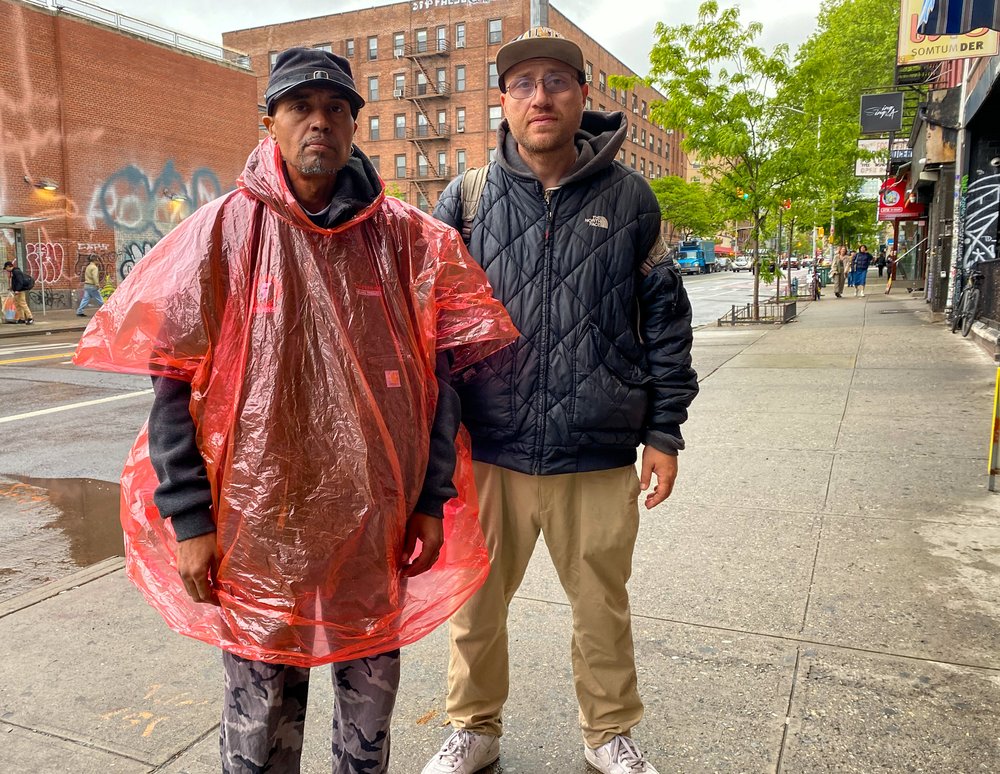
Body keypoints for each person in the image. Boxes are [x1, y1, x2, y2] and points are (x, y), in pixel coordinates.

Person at [74, 47, 517, 774]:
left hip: (375, 525)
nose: (320, 121)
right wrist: (191, 519)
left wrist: (432, 501)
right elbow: (171, 390)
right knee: (258, 729)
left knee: (366, 722)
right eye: (301, 106)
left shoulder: (408, 241)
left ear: (353, 124)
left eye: (337, 108)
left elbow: (440, 385)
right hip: (258, 530)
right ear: (271, 120)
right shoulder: (219, 234)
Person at [423, 27, 698, 774]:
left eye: (555, 82)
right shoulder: (468, 200)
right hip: (490, 451)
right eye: (521, 85)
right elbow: (430, 328)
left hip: (596, 451)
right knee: (474, 610)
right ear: (504, 104)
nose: (539, 97)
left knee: (601, 611)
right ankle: (473, 728)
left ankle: (608, 733)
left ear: (582, 97)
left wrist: (664, 434)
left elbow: (667, 325)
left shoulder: (632, 200)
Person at [3, 260, 34, 324]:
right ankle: (22, 318)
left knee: (22, 304)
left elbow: (20, 282)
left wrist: (17, 289)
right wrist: (12, 288)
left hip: (20, 291)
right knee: (17, 304)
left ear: (9, 266)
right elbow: (16, 282)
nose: (6, 270)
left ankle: (30, 318)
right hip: (17, 291)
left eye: (6, 268)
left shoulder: (16, 272)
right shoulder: (14, 272)